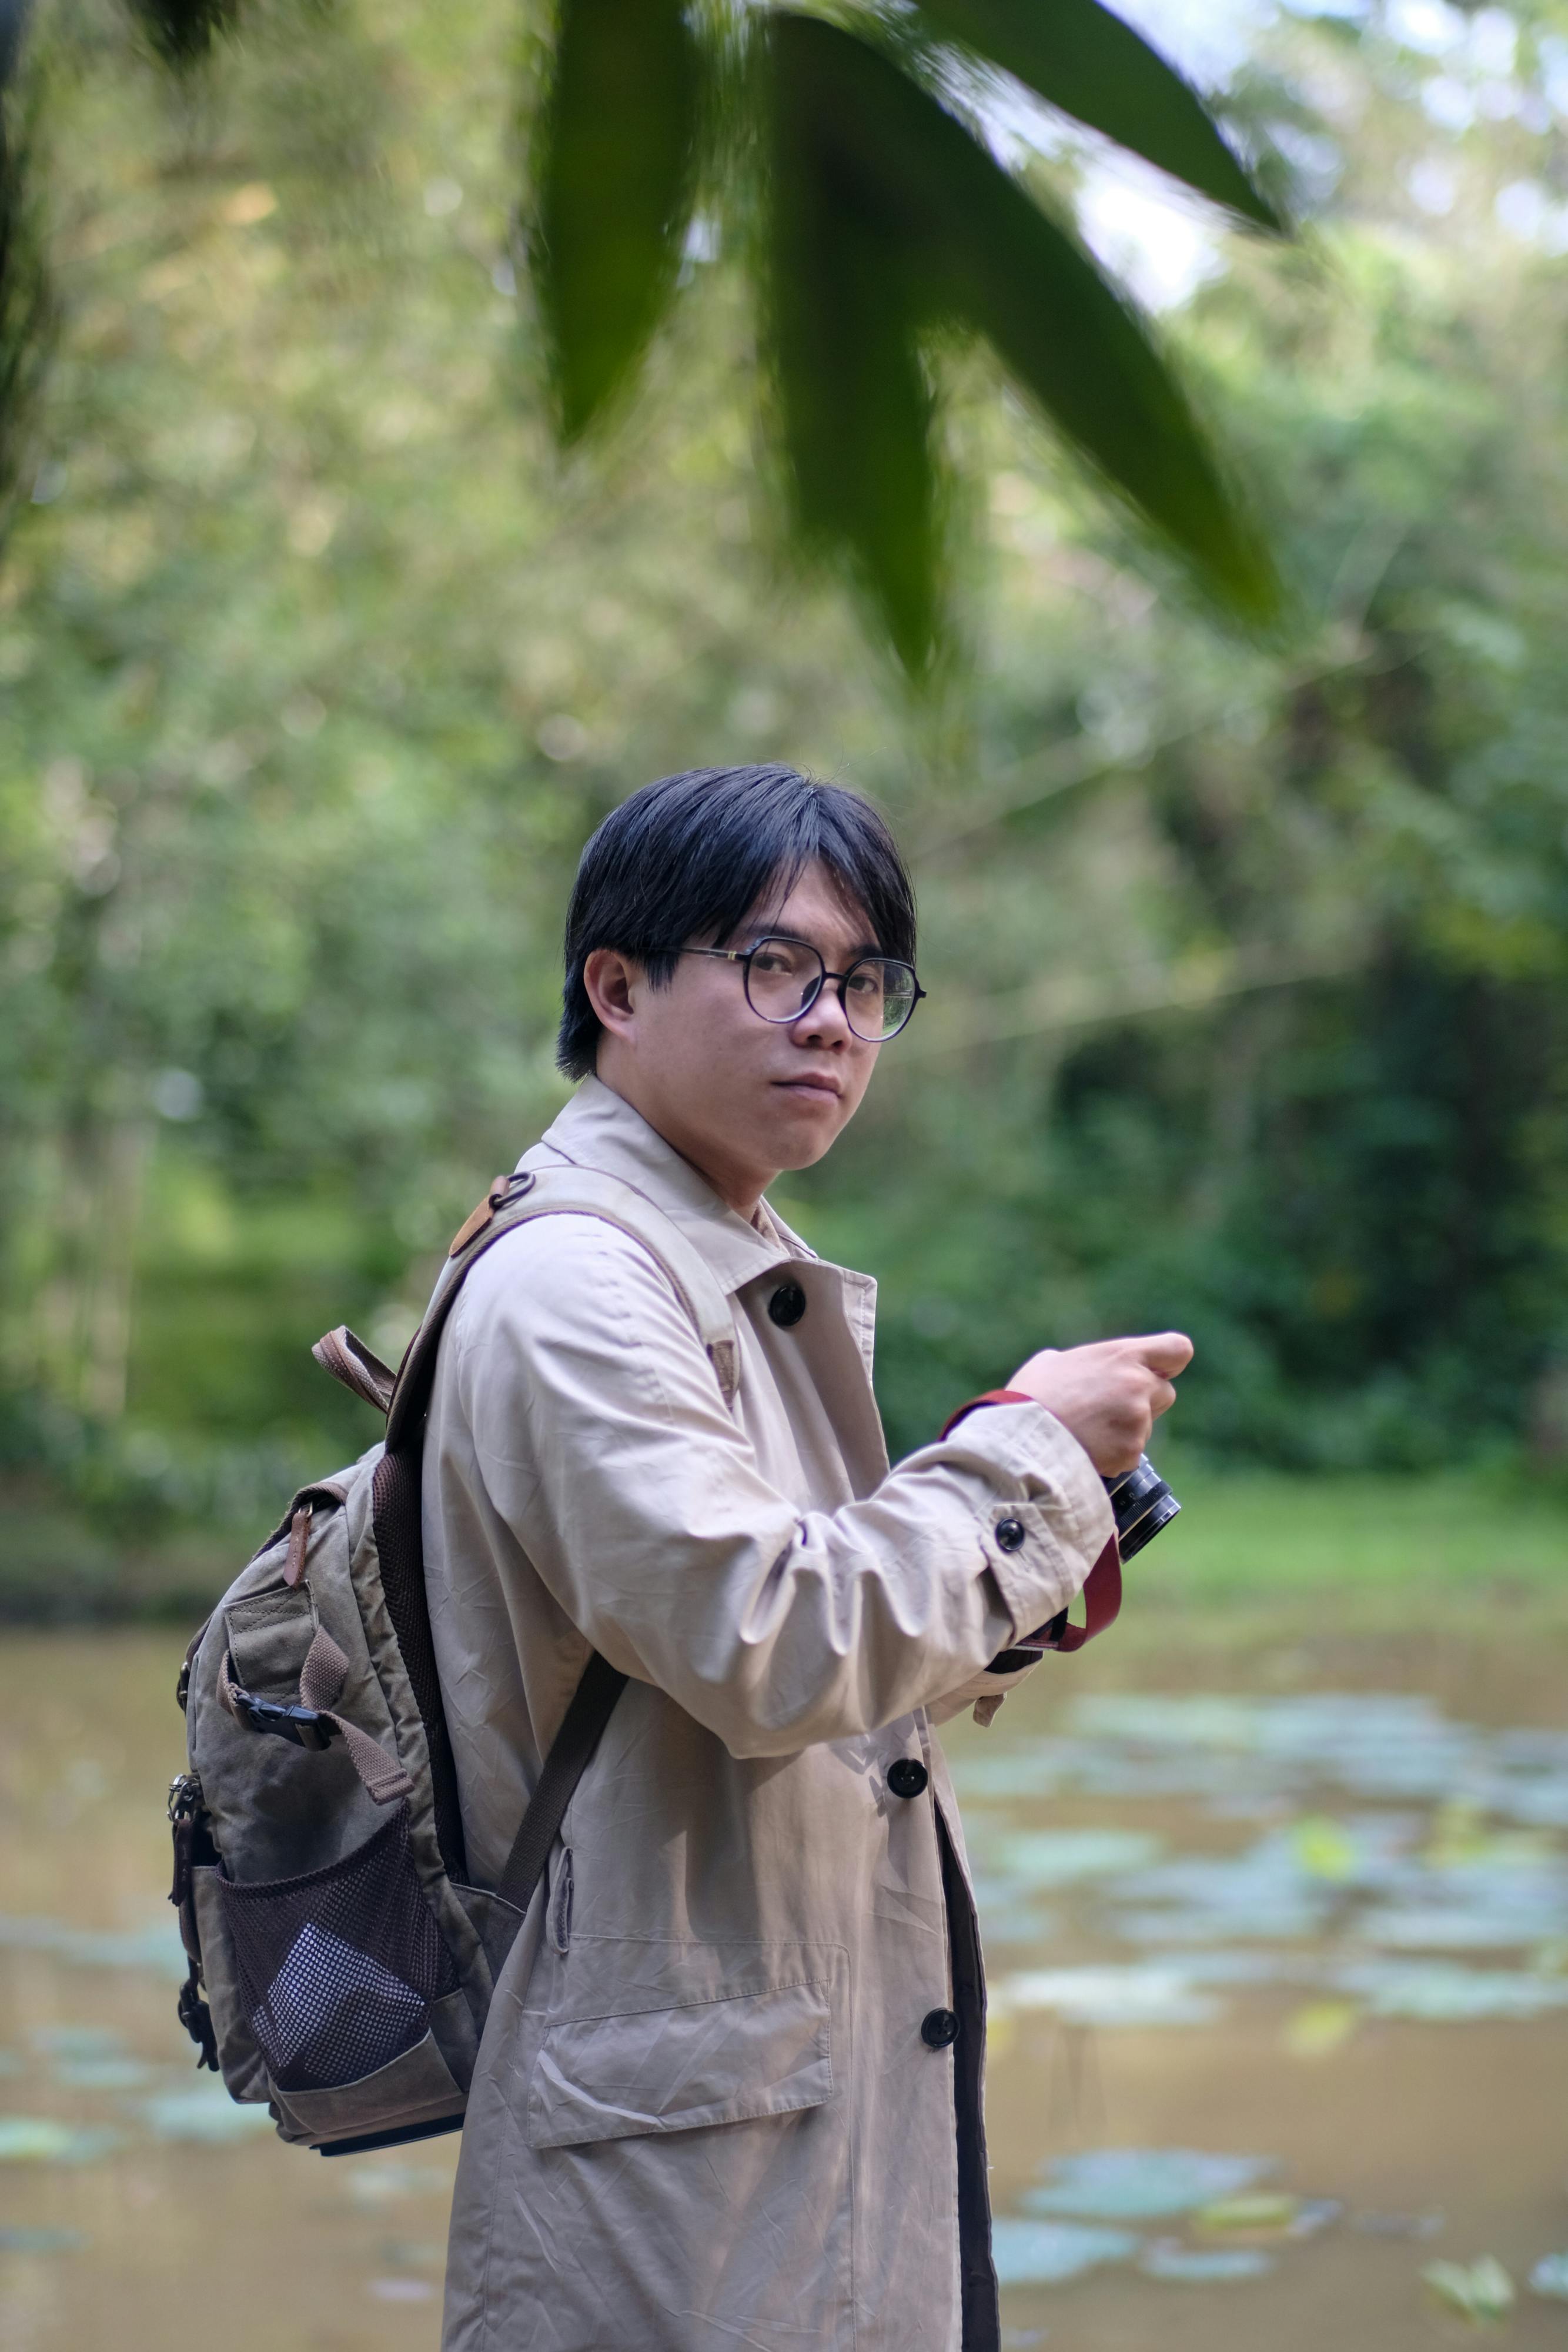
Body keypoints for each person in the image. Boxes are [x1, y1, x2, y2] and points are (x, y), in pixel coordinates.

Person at [423, 764, 1191, 2352]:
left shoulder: (718, 1253)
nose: (829, 1020)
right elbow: (771, 1644)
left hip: (760, 2092)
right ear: (616, 987)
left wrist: (1039, 1561)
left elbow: (784, 1608)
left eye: (862, 982)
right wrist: (1030, 1449)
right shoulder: (580, 1281)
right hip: (682, 2156)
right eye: (774, 966)